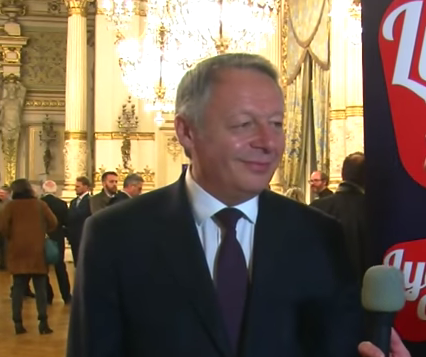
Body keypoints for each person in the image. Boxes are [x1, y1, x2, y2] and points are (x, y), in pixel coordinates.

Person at [67, 53, 408, 357]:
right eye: (244, 124)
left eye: (276, 124)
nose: (267, 141)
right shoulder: (115, 235)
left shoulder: (320, 235)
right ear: (187, 132)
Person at [0, 178, 57, 334]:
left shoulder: (10, 206)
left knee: (18, 288)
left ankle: (18, 323)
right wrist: (40, 231)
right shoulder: (40, 205)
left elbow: (3, 228)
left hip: (17, 251)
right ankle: (43, 323)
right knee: (40, 288)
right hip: (37, 250)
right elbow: (53, 222)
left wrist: (13, 236)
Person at [310, 152, 370, 282]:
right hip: (364, 291)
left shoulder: (316, 207)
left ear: (343, 174)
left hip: (323, 290)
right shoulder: (373, 209)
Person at [41, 180, 72, 304]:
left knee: (43, 268)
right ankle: (66, 296)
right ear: (55, 190)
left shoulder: (39, 203)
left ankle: (48, 296)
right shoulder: (62, 204)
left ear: (43, 190)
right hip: (57, 237)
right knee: (60, 267)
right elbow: (66, 222)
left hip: (42, 237)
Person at [68, 176, 91, 267]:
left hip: (84, 235)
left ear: (86, 187)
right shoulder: (73, 202)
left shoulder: (90, 200)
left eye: (78, 186)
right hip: (74, 236)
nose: (75, 188)